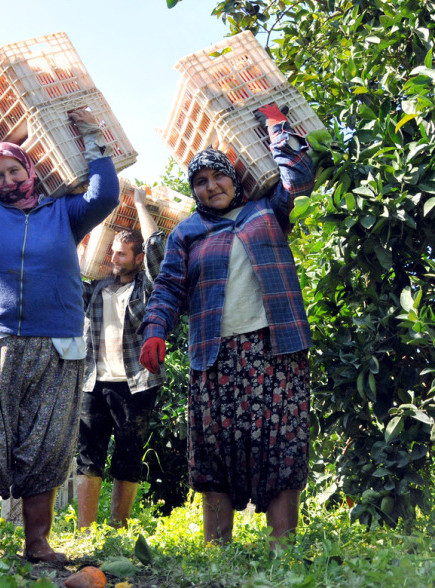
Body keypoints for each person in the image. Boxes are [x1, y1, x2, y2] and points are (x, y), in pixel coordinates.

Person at [0, 108, 119, 562]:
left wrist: (93, 144)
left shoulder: (64, 214)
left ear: (31, 170)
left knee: (47, 443)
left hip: (56, 343)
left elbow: (105, 194)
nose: (9, 180)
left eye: (15, 169)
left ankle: (37, 544)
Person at [138, 103, 315, 549]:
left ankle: (282, 547)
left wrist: (277, 127)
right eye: (200, 181)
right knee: (214, 448)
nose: (211, 185)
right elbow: (167, 288)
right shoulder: (187, 233)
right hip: (215, 355)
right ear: (193, 190)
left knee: (281, 443)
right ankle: (217, 549)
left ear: (234, 179)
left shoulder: (266, 210)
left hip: (276, 348)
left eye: (218, 176)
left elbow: (299, 177)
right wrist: (155, 329)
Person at [76, 186, 166, 529]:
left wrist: (141, 205)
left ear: (137, 258)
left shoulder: (146, 287)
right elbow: (68, 279)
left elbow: (157, 246)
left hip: (136, 383)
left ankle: (118, 527)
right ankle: (85, 530)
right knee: (88, 456)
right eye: (112, 252)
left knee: (128, 455)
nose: (115, 259)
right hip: (94, 381)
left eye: (123, 254)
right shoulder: (98, 288)